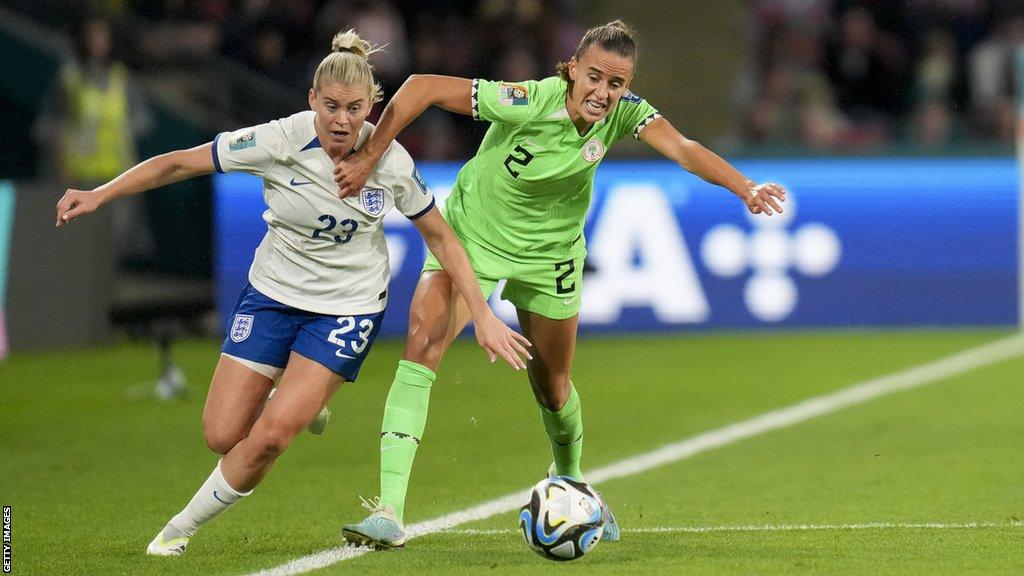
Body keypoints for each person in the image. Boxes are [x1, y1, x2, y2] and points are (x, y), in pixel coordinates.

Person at [55, 29, 531, 556]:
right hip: (273, 295)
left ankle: (178, 528)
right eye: (330, 107)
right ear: (312, 101)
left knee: (273, 436)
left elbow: (441, 235)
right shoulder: (280, 140)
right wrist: (100, 193)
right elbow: (179, 162)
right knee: (220, 433)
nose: (342, 121)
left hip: (347, 309)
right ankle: (301, 390)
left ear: (372, 105)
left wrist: (483, 313)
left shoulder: (389, 161)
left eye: (354, 108)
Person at [334, 20, 787, 549]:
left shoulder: (623, 115)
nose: (603, 92)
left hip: (552, 257)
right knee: (423, 340)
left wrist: (745, 187)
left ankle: (572, 483)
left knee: (552, 388)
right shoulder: (528, 100)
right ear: (572, 69)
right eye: (594, 77)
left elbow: (684, 148)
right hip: (474, 238)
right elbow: (421, 88)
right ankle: (389, 510)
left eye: (616, 84)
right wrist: (370, 156)